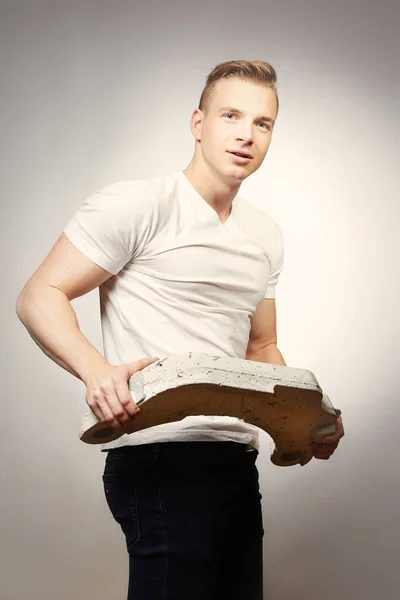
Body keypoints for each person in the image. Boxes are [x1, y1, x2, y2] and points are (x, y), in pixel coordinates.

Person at [16, 59, 344, 600]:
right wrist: (97, 372)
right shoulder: (138, 204)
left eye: (262, 124)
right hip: (159, 456)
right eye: (231, 115)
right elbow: (38, 295)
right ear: (198, 123)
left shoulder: (265, 234)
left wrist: (302, 419)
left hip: (235, 461)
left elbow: (261, 345)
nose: (246, 134)